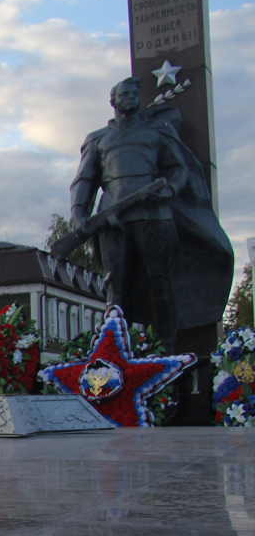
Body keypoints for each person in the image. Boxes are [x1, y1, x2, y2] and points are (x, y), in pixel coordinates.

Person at [70, 77, 188, 349]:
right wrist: (78, 214)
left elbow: (179, 169)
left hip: (153, 214)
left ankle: (165, 347)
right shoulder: (98, 138)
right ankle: (113, 349)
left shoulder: (159, 131)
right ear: (113, 100)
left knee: (159, 280)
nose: (131, 97)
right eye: (125, 93)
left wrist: (168, 191)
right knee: (114, 284)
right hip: (113, 218)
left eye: (136, 93)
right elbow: (85, 181)